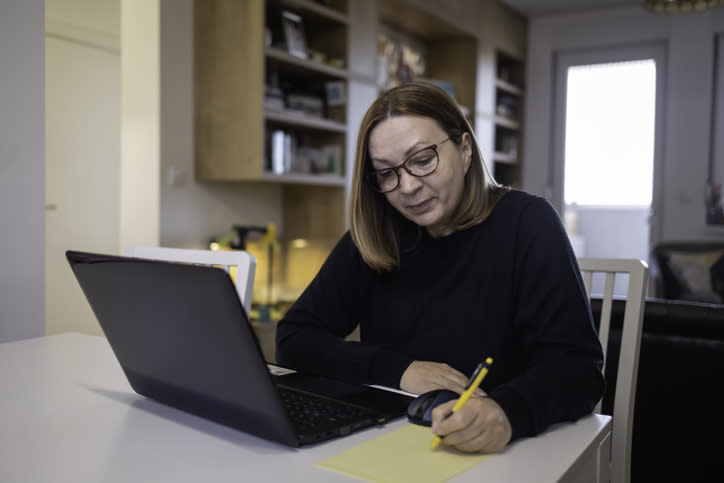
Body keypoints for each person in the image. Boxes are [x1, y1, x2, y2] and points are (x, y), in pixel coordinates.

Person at [275, 81, 605, 453]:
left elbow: (578, 369)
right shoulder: (378, 233)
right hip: (390, 444)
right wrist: (398, 370)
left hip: (503, 453)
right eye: (386, 173)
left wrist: (506, 412)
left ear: (464, 150)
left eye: (422, 160)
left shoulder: (527, 223)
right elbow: (294, 339)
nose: (408, 187)